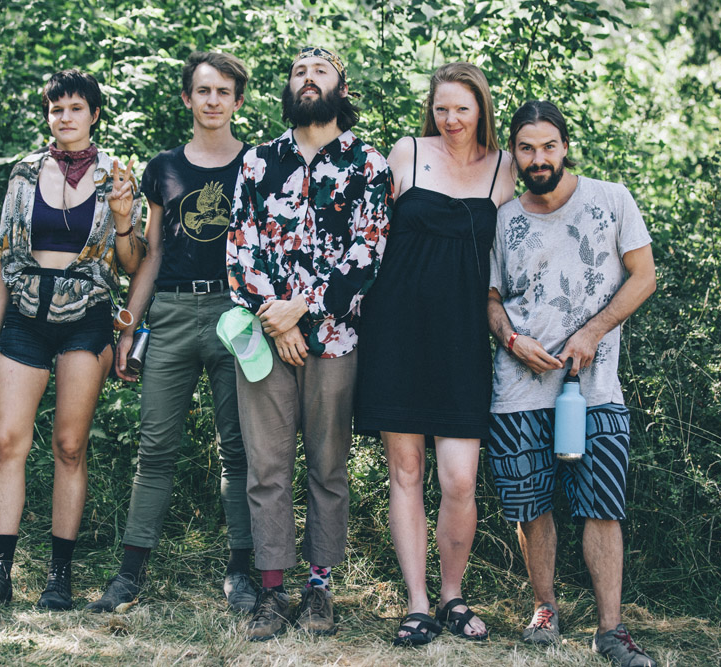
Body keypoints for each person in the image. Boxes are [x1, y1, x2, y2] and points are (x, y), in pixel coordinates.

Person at [226, 46, 391, 640]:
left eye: (321, 71)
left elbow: (368, 253)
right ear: (288, 87)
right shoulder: (256, 163)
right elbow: (241, 249)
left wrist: (307, 309)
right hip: (264, 340)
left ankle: (319, 589)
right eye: (299, 71)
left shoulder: (367, 164)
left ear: (341, 86)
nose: (308, 78)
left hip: (337, 340)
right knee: (266, 467)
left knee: (327, 466)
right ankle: (273, 593)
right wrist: (279, 318)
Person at [84, 52, 257, 614]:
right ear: (187, 98)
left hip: (237, 316)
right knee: (155, 448)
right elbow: (150, 255)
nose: (212, 100)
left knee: (240, 449)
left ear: (236, 100)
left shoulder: (255, 164)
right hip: (173, 314)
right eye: (203, 90)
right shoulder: (163, 167)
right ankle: (129, 574)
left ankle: (242, 571)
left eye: (223, 91)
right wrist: (128, 326)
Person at [486, 100, 657, 667]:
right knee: (530, 505)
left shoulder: (612, 200)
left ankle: (611, 630)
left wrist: (592, 331)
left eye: (549, 146)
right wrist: (512, 341)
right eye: (527, 148)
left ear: (565, 146)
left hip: (595, 385)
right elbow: (489, 300)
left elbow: (644, 276)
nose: (538, 158)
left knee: (602, 504)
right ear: (514, 153)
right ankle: (545, 608)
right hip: (518, 387)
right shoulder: (503, 219)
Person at [0, 69, 145, 610]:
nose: (64, 117)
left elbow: (133, 263)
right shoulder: (23, 172)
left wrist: (120, 221)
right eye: (55, 108)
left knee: (69, 446)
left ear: (94, 113)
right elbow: (5, 256)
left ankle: (58, 577)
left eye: (74, 108)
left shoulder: (117, 174)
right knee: (7, 442)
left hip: (86, 317)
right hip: (24, 314)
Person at [355, 62, 514, 646]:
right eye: (442, 108)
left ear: (482, 112)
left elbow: (519, 244)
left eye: (463, 109)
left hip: (461, 338)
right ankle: (419, 602)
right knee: (406, 472)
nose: (451, 120)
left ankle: (454, 594)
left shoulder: (505, 168)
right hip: (396, 330)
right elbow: (365, 231)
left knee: (459, 479)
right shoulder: (407, 152)